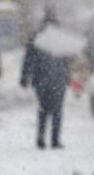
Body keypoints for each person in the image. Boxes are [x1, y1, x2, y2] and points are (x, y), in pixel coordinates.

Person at [20, 13, 72, 149]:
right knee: (57, 111)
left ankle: (41, 138)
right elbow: (68, 60)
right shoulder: (61, 40)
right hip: (58, 80)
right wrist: (68, 77)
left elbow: (28, 60)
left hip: (40, 80)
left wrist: (24, 77)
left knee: (43, 109)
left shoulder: (37, 38)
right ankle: (55, 140)